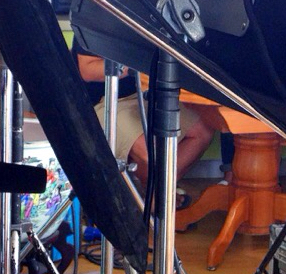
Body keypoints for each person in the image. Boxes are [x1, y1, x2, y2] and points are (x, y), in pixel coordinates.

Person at [73, 43, 216, 199]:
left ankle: (157, 192)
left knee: (204, 130)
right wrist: (136, 62)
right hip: (107, 101)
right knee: (151, 150)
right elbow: (87, 71)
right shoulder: (94, 26)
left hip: (149, 94)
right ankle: (155, 196)